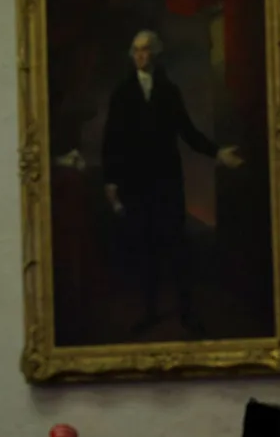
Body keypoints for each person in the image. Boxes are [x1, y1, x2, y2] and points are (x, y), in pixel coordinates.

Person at [101, 30, 243, 336]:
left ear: (156, 53)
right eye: (136, 50)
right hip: (135, 184)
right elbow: (111, 140)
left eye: (146, 50)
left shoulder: (169, 91)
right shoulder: (122, 93)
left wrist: (217, 153)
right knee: (145, 250)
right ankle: (150, 312)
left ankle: (187, 311)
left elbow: (188, 132)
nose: (141, 55)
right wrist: (111, 182)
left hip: (167, 182)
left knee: (178, 247)